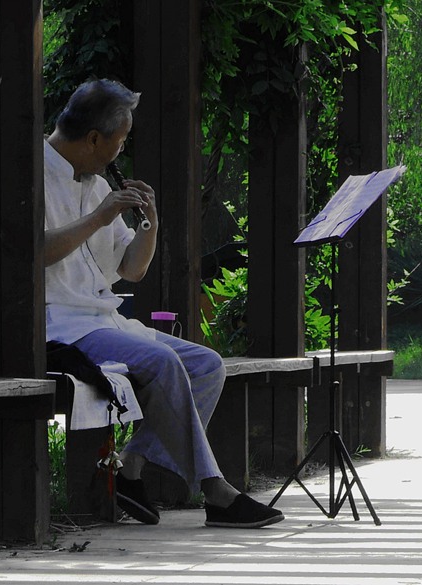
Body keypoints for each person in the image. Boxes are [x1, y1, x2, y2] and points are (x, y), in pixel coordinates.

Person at [43, 78, 284, 528]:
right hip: (58, 324)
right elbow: (31, 253)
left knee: (208, 365)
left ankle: (130, 468)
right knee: (164, 362)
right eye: (120, 141)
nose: (121, 152)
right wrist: (99, 216)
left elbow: (131, 270)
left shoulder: (95, 182)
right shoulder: (32, 171)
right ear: (93, 138)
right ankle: (216, 491)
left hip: (104, 321)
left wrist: (149, 225)